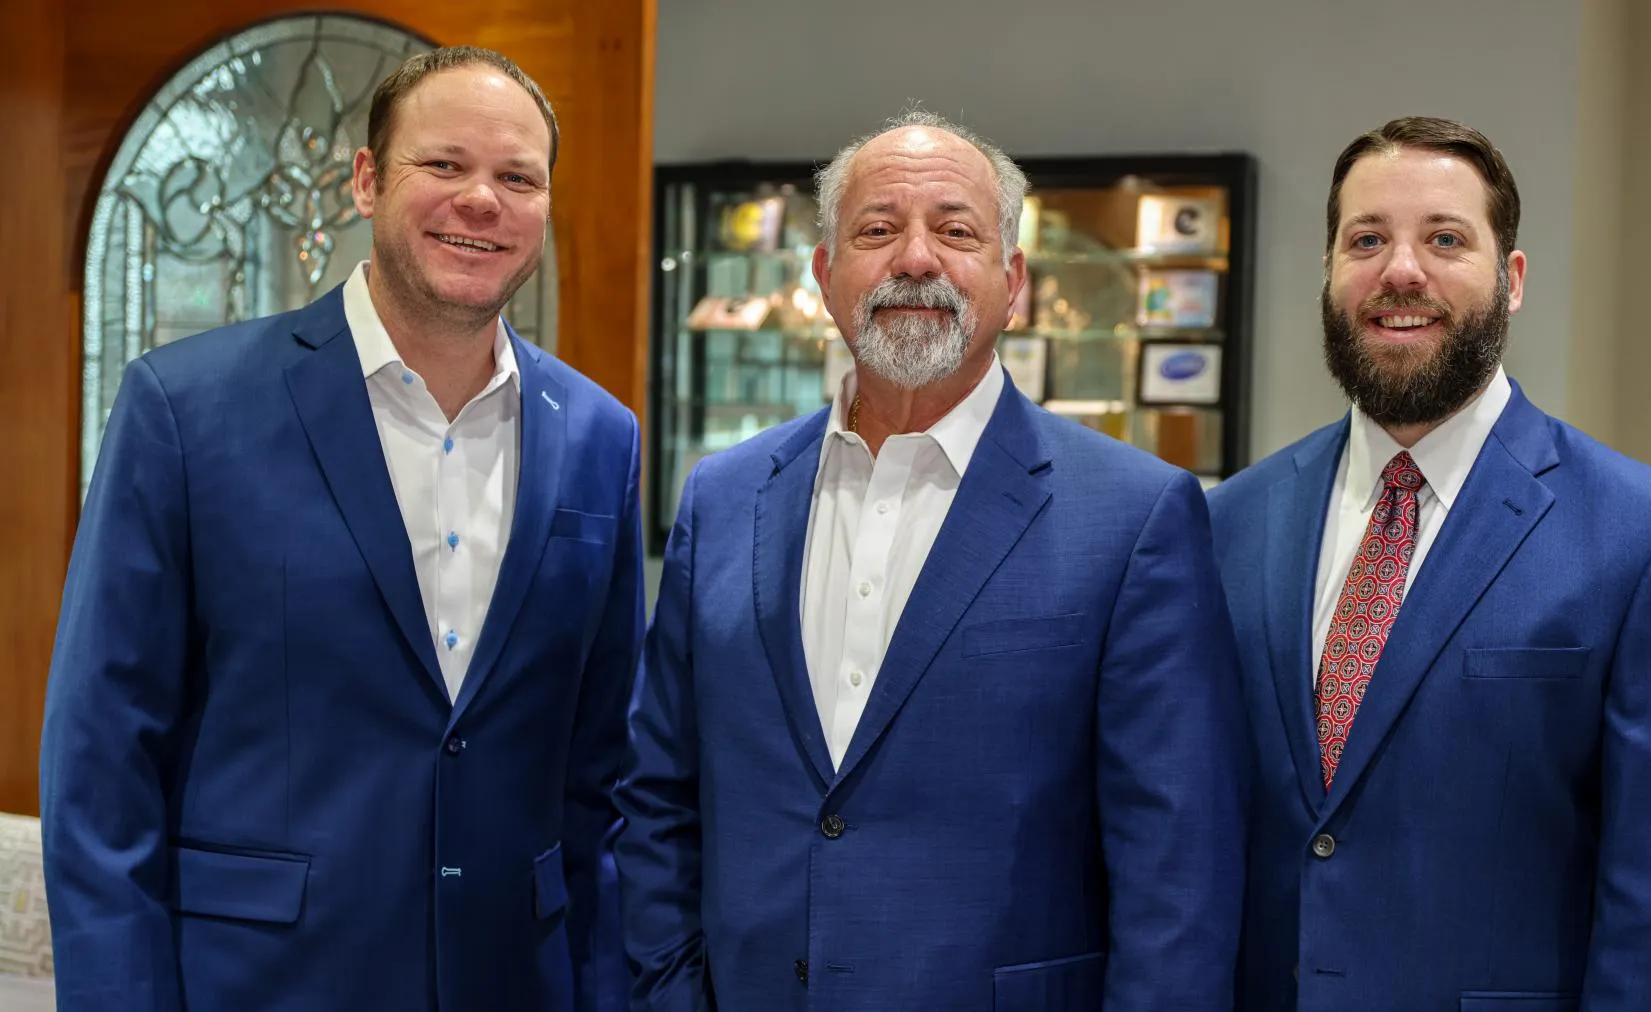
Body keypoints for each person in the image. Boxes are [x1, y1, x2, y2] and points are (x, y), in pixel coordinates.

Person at [40, 46, 641, 1012]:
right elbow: (102, 766)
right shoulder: (185, 410)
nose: (481, 200)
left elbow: (601, 776)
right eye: (443, 164)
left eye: (518, 177)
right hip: (262, 983)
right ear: (367, 180)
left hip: (515, 981)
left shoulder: (602, 437)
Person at [613, 108, 1248, 1011]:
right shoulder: (724, 498)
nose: (916, 259)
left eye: (956, 232)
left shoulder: (1135, 516)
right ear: (825, 275)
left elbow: (1176, 867)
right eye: (877, 231)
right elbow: (658, 800)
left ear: (1012, 280)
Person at [1207, 115, 1651, 1011]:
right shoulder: (1230, 521)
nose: (1401, 271)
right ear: (1329, 274)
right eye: (1366, 240)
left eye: (1446, 239)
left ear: (1513, 279)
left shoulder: (1647, 536)